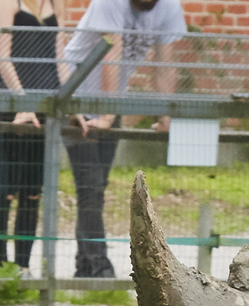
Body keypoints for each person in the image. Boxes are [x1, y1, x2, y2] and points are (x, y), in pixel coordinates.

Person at [61, 0, 188, 278]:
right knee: (90, 185)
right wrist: (106, 116)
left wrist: (166, 116)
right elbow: (112, 53)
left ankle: (85, 265)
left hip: (111, 101)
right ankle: (98, 267)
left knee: (96, 186)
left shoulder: (168, 8)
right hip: (73, 97)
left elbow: (164, 62)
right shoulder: (110, 3)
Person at [0, 0, 69, 272]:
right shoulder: (6, 3)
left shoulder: (58, 3)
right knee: (1, 192)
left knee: (31, 193)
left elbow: (61, 56)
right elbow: (2, 56)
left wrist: (70, 104)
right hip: (8, 105)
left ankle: (22, 268)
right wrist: (21, 103)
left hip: (44, 107)